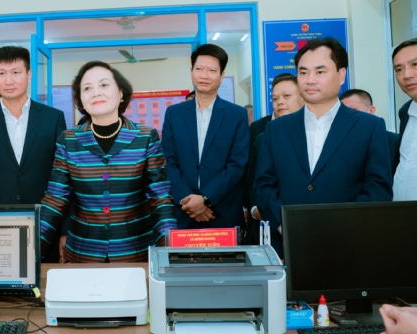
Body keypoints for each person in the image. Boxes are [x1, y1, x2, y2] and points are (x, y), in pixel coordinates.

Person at [255, 38, 393, 256]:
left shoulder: (369, 126)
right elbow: (264, 185)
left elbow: (378, 188)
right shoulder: (276, 129)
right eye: (303, 72)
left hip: (350, 246)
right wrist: (286, 225)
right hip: (290, 245)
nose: (310, 80)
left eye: (320, 72)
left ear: (341, 75)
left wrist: (340, 228)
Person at [40, 61, 177, 263]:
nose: (96, 93)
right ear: (81, 99)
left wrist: (169, 251)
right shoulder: (68, 140)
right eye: (87, 88)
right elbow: (55, 200)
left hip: (134, 252)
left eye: (104, 85)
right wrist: (31, 251)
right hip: (83, 253)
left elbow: (160, 199)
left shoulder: (145, 137)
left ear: (121, 93)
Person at [0, 46, 66, 261]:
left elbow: (63, 178)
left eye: (16, 72)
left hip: (45, 221)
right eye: (2, 73)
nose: (9, 80)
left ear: (29, 75)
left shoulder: (53, 118)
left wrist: (65, 230)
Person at [162, 43, 249, 230]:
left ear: (222, 75)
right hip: (184, 212)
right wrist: (189, 202)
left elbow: (237, 164)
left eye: (212, 70)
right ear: (191, 71)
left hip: (223, 212)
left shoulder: (237, 115)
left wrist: (206, 199)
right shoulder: (173, 114)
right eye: (199, 69)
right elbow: (168, 161)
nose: (204, 75)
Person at [243, 74, 304, 244]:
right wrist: (255, 209)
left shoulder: (318, 135)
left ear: (303, 97)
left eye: (287, 96)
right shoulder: (262, 136)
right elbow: (252, 179)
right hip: (268, 226)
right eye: (275, 98)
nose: (280, 102)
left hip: (306, 219)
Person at [340, 88, 400, 168]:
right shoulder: (339, 143)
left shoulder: (394, 141)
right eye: (343, 112)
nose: (348, 116)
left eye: (353, 111)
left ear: (371, 111)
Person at [392, 38, 417, 201]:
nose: (406, 75)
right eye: (399, 69)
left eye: (415, 64)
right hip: (402, 214)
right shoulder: (405, 112)